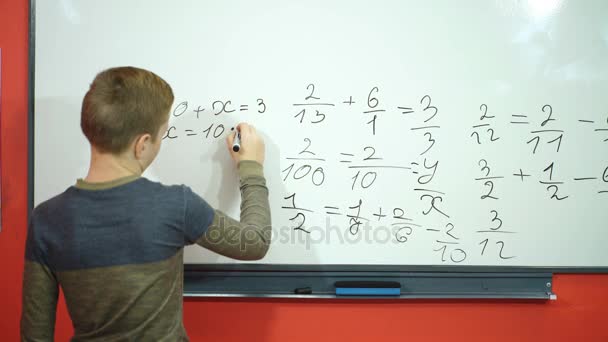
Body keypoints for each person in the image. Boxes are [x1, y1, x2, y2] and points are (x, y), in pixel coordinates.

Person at [21, 66, 271, 341]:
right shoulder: (175, 205)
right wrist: (251, 166)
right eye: (162, 135)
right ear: (142, 144)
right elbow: (255, 242)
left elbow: (35, 335)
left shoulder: (45, 220)